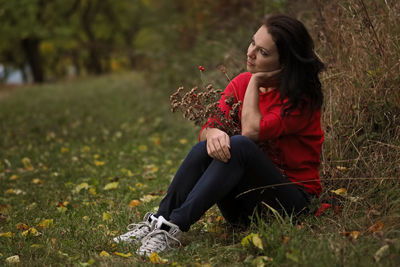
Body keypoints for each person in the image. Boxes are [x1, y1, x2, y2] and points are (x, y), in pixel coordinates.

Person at [114, 14, 324, 256]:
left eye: (263, 52)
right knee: (207, 147)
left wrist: (255, 83)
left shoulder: (301, 100)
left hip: (291, 205)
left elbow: (251, 132)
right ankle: (159, 221)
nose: (251, 53)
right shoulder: (240, 82)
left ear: (284, 63)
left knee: (240, 145)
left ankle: (174, 228)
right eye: (252, 43)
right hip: (243, 209)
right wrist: (213, 133)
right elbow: (207, 128)